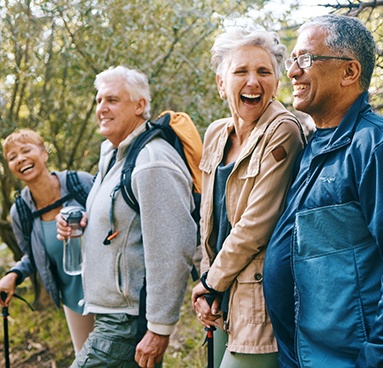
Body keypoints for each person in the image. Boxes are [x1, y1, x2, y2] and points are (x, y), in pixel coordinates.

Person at [263, 14, 383, 368]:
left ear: (349, 72)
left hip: (349, 359)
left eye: (306, 59)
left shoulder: (375, 143)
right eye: (293, 60)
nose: (293, 72)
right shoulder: (312, 145)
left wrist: (378, 357)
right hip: (301, 354)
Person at [56, 66, 197, 368]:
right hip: (109, 314)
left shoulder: (151, 161)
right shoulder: (114, 154)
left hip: (125, 322)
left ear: (140, 105)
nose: (101, 108)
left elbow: (174, 247)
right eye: (98, 101)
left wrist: (159, 329)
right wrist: (82, 220)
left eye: (112, 100)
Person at [191, 26, 305, 368]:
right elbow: (207, 219)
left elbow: (257, 224)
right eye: (240, 71)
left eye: (264, 71)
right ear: (221, 83)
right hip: (220, 291)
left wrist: (210, 282)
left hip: (259, 300)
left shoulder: (283, 130)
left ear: (277, 82)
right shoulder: (214, 134)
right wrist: (207, 282)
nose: (253, 81)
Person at [0, 129, 94, 354]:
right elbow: (32, 256)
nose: (20, 158)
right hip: (73, 301)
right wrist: (14, 275)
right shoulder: (20, 211)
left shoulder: (79, 182)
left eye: (25, 150)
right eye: (12, 157)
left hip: (110, 291)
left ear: (43, 154)